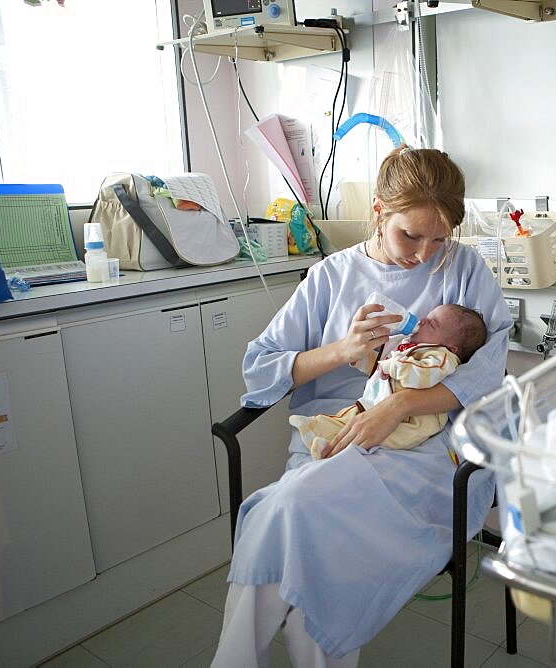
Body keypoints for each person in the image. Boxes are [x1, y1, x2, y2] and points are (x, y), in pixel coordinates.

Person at [211, 146, 511, 668]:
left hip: (429, 455)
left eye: (440, 238)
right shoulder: (330, 277)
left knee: (284, 513)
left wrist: (400, 407)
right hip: (331, 440)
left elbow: (489, 372)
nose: (425, 254)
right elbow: (260, 367)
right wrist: (341, 353)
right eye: (410, 235)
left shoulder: (463, 270)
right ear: (378, 210)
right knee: (300, 521)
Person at [290, 303, 488, 460]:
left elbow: (422, 377)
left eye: (433, 323)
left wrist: (393, 366)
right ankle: (318, 431)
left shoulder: (441, 357)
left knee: (381, 438)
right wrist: (359, 358)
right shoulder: (408, 346)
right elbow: (380, 365)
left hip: (412, 421)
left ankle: (336, 450)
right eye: (428, 316)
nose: (424, 320)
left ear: (452, 347)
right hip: (375, 405)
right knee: (348, 420)